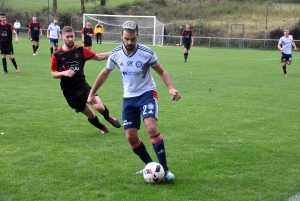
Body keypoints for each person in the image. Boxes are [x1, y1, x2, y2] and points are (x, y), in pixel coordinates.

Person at [87, 21, 181, 181]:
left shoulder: (147, 53)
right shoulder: (116, 54)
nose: (129, 42)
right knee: (131, 136)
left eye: (132, 39)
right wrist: (92, 93)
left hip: (147, 94)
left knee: (151, 128)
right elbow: (104, 73)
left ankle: (164, 169)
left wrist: (171, 87)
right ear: (121, 36)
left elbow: (161, 71)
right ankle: (151, 167)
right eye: (126, 39)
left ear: (137, 35)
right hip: (129, 98)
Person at [50, 26, 121, 134]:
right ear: (62, 36)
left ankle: (107, 117)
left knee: (100, 107)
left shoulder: (81, 50)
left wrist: (115, 53)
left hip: (83, 86)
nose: (70, 39)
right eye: (67, 37)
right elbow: (53, 74)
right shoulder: (57, 55)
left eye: (72, 36)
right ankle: (102, 128)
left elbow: (98, 56)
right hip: (70, 93)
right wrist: (63, 73)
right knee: (90, 115)